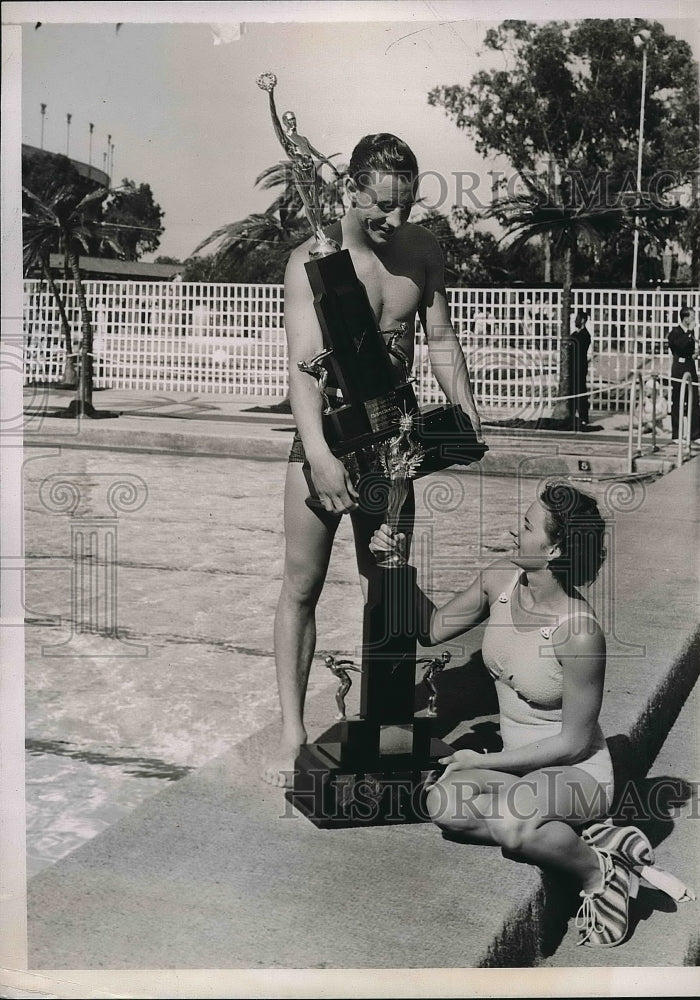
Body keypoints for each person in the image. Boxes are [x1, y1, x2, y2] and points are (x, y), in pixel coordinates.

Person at [370, 481, 693, 947]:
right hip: (522, 771)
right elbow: (431, 630)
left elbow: (573, 743)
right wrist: (397, 566)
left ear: (555, 548)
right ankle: (591, 838)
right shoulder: (500, 579)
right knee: (443, 806)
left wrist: (482, 760)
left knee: (511, 824)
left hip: (577, 773)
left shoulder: (578, 633)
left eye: (525, 526)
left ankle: (600, 873)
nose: (512, 531)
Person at [261, 133, 482, 787]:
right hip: (326, 433)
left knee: (383, 582)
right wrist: (320, 457)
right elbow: (303, 371)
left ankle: (380, 723)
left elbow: (439, 337)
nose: (395, 218)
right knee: (302, 584)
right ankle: (293, 732)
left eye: (406, 205)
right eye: (383, 205)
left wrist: (464, 406)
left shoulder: (423, 251)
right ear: (350, 191)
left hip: (395, 439)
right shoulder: (313, 261)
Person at [667, 306, 700, 443]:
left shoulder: (689, 333)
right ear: (685, 318)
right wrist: (689, 332)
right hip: (679, 368)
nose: (694, 319)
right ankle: (677, 434)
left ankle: (695, 434)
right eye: (692, 316)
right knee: (678, 400)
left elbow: (688, 348)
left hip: (690, 366)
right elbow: (680, 346)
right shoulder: (675, 332)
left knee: (693, 399)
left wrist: (694, 353)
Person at [566, 309, 592, 431]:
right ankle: (572, 414)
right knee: (572, 390)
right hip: (573, 367)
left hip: (580, 367)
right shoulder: (576, 334)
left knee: (581, 391)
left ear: (582, 320)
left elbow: (576, 347)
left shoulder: (585, 335)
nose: (575, 321)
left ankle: (583, 416)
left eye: (578, 319)